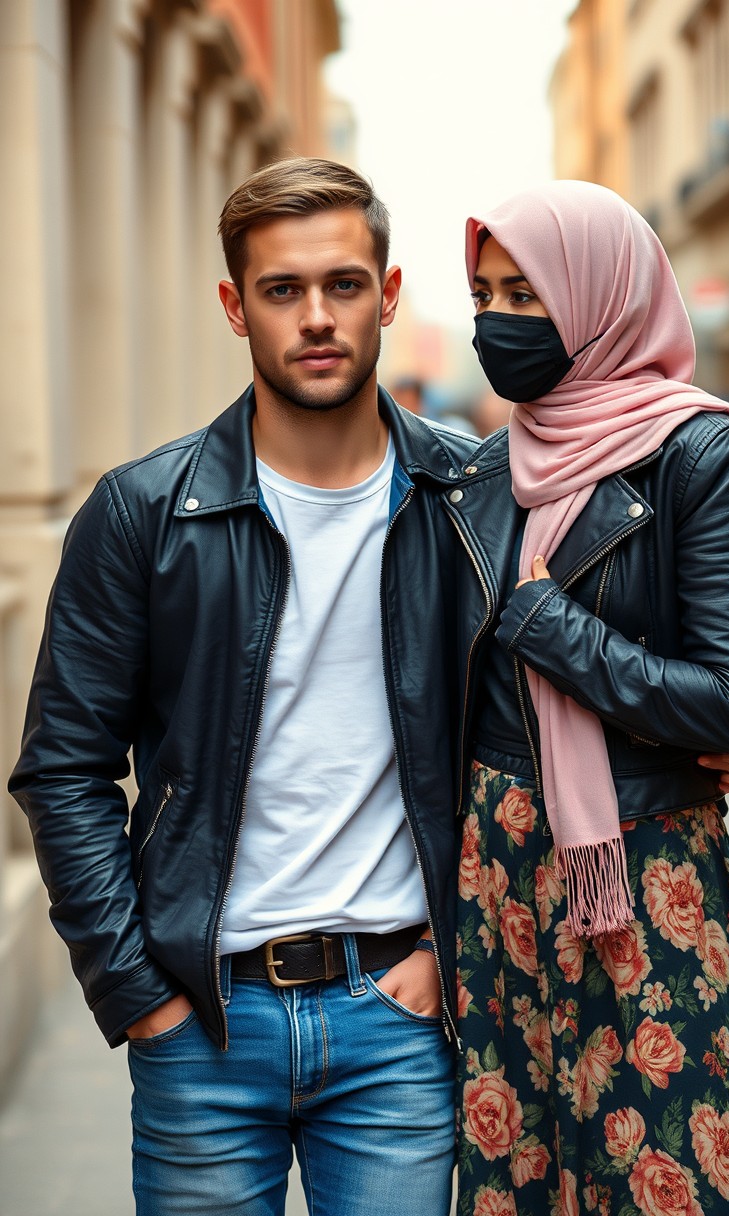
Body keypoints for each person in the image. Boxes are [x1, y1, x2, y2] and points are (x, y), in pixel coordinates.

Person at [9, 157, 486, 1216]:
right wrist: (139, 995)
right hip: (204, 1022)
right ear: (235, 306)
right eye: (281, 290)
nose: (316, 317)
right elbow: (65, 767)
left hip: (398, 1020)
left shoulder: (470, 501)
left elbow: (540, 739)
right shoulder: (142, 512)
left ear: (389, 293)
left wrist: (442, 954)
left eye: (343, 285)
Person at [451, 181, 729, 1215]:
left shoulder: (698, 452)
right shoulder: (478, 470)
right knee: (522, 1173)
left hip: (646, 870)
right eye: (482, 295)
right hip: (499, 879)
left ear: (597, 297)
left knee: (673, 1178)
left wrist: (549, 625)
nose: (495, 324)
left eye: (526, 293)